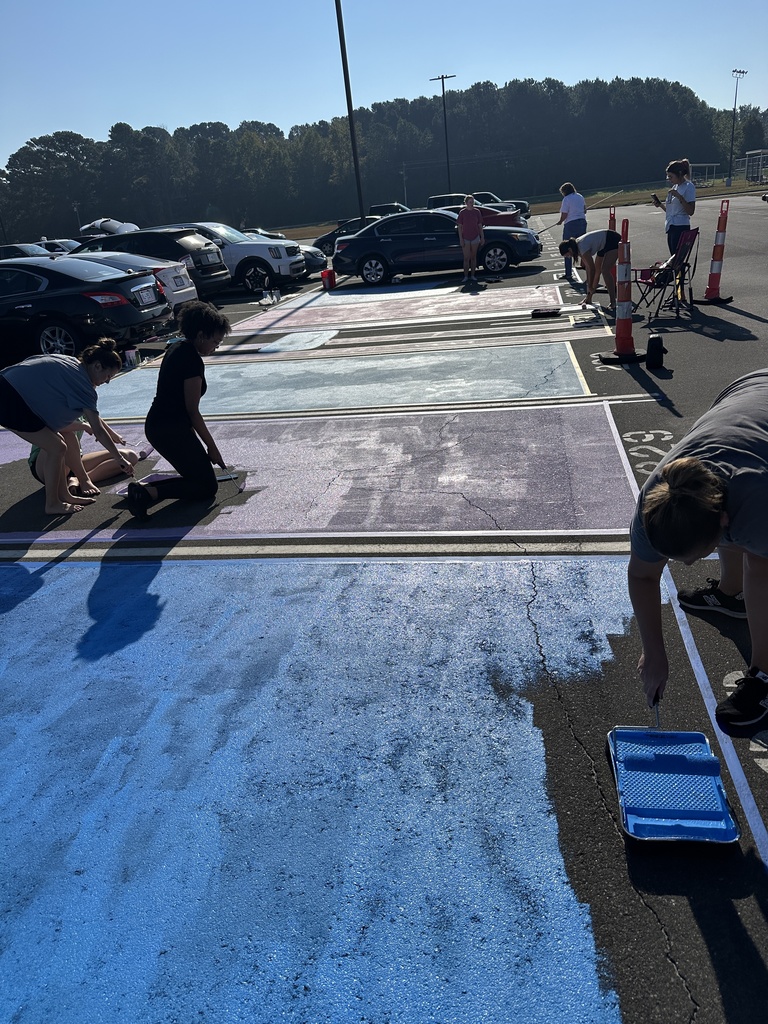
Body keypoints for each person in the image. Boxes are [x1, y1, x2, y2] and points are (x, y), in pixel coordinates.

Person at [628, 368, 768, 735]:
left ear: (723, 522)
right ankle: (729, 593)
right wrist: (654, 653)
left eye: (692, 556)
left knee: (762, 562)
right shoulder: (656, 502)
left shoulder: (757, 506)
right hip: (746, 390)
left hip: (759, 446)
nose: (686, 564)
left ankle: (764, 676)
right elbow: (643, 574)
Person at [0, 339, 133, 515]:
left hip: (8, 384)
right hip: (9, 397)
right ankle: (53, 504)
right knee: (57, 447)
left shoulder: (72, 363)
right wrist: (119, 459)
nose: (107, 382)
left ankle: (64, 494)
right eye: (108, 376)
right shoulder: (83, 387)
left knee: (58, 444)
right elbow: (98, 431)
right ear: (98, 366)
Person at [126, 301, 231, 519]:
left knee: (197, 478)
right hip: (168, 429)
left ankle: (146, 492)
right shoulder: (192, 360)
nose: (215, 347)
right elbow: (192, 411)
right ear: (201, 335)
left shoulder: (176, 347)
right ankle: (145, 493)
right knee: (206, 487)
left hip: (162, 425)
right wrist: (211, 447)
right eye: (215, 342)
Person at [29, 419, 138, 497]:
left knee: (130, 456)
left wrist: (111, 433)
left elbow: (95, 419)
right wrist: (85, 426)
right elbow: (57, 424)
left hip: (72, 463)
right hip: (46, 465)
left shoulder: (81, 400)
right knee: (67, 435)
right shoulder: (57, 399)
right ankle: (81, 480)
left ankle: (78, 480)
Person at [558, 229, 621, 313]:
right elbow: (588, 268)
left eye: (568, 255)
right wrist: (589, 287)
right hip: (603, 245)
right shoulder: (577, 248)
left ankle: (613, 302)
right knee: (598, 272)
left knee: (605, 270)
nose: (569, 257)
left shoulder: (581, 247)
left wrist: (590, 286)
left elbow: (592, 268)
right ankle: (588, 299)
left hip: (612, 239)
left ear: (570, 249)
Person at [652, 157, 696, 256]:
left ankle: (679, 272)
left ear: (679, 174)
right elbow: (671, 211)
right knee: (673, 259)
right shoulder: (675, 187)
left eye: (671, 176)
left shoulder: (688, 187)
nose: (669, 179)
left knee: (678, 260)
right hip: (671, 226)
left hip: (681, 227)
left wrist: (680, 197)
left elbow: (691, 211)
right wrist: (660, 205)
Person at [555, 182, 587, 279]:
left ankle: (568, 273)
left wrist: (560, 221)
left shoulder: (566, 199)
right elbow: (585, 210)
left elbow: (564, 214)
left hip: (571, 224)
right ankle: (588, 268)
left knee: (566, 246)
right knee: (582, 246)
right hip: (582, 222)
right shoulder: (580, 196)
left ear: (565, 191)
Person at [456, 195, 485, 285]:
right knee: (466, 257)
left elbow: (480, 225)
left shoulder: (477, 212)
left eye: (473, 202)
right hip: (466, 238)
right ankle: (465, 276)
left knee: (473, 257)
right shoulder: (462, 212)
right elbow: (459, 227)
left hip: (475, 236)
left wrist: (482, 237)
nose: (472, 204)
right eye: (470, 202)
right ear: (466, 203)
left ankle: (473, 275)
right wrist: (461, 239)